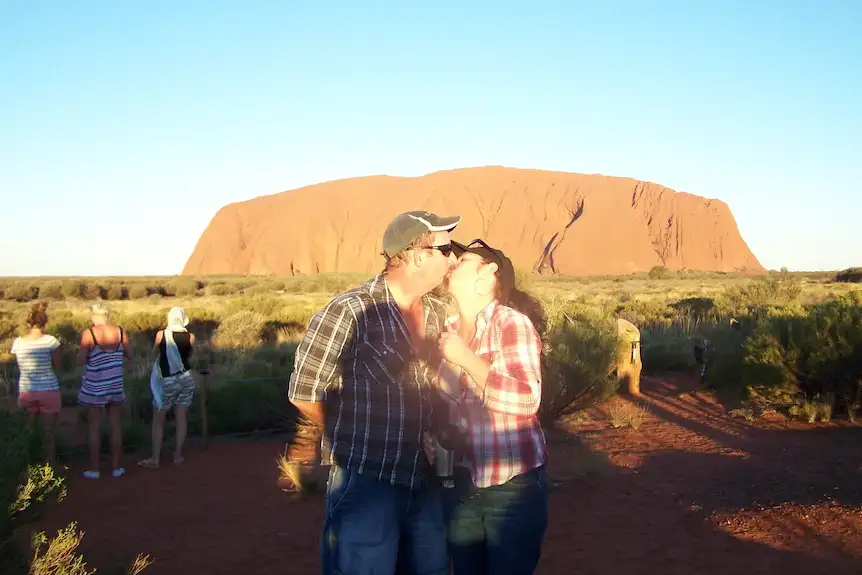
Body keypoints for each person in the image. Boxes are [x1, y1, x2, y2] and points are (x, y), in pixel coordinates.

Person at [287, 210, 461, 575]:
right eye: (446, 250)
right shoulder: (349, 311)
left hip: (425, 478)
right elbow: (304, 392)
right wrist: (353, 437)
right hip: (368, 481)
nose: (453, 259)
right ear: (417, 255)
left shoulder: (437, 312)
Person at [434, 238, 549, 575]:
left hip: (511, 488)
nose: (452, 263)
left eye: (463, 260)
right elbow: (446, 404)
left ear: (487, 275)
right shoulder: (448, 330)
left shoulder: (510, 324)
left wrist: (466, 359)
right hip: (461, 483)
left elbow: (527, 398)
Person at [77, 302, 131, 479]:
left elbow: (81, 360)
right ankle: (116, 468)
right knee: (115, 426)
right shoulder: (120, 331)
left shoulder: (89, 333)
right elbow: (130, 354)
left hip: (95, 386)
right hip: (115, 383)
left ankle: (95, 469)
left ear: (94, 315)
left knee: (94, 427)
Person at [138, 307, 196, 469]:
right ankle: (177, 455)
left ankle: (155, 459)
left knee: (159, 419)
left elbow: (154, 353)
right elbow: (189, 356)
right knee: (181, 418)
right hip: (186, 378)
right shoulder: (191, 337)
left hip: (168, 380)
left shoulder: (161, 334)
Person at [10, 302, 62, 463]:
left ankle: (28, 463)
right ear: (45, 322)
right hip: (49, 389)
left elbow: (18, 365)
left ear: (28, 323)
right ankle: (49, 467)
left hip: (27, 389)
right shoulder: (51, 341)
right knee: (48, 432)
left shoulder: (18, 342)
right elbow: (58, 366)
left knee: (28, 430)